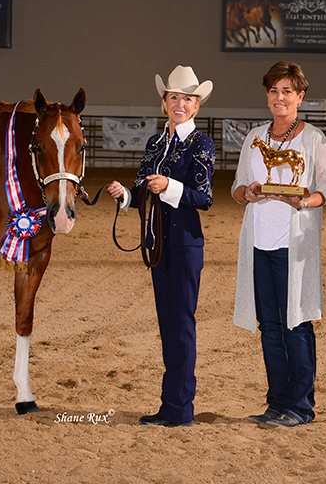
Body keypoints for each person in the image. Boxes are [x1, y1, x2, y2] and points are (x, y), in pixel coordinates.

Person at [106, 65, 215, 428]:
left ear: (196, 104)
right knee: (168, 324)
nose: (179, 103)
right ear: (164, 102)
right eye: (173, 97)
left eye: (187, 98)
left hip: (184, 244)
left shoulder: (201, 143)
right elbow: (142, 193)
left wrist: (168, 186)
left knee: (181, 325)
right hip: (157, 244)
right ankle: (171, 405)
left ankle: (181, 408)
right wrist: (126, 196)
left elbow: (204, 198)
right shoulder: (155, 143)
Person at [232, 61, 326, 427]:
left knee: (297, 324)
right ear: (267, 95)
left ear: (300, 96)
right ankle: (276, 401)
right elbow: (238, 186)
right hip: (259, 244)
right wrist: (246, 193)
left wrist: (304, 201)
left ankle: (300, 406)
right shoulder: (254, 137)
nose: (280, 97)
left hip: (294, 248)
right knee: (270, 326)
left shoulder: (313, 139)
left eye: (287, 91)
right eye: (274, 91)